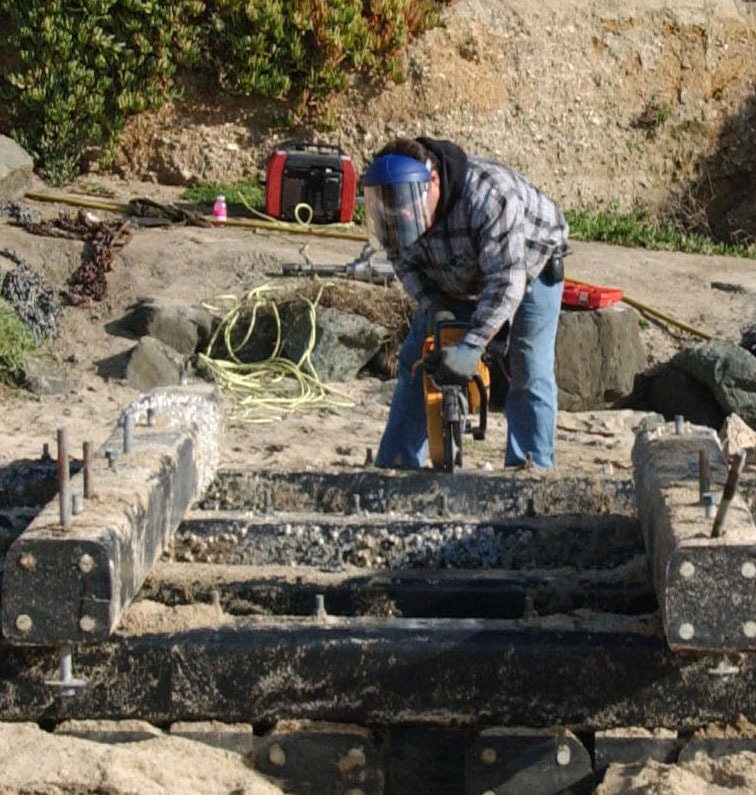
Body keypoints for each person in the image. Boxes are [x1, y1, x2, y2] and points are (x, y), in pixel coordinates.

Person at [362, 137, 570, 470]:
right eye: (389, 205)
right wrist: (432, 304)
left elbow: (506, 284)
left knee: (528, 366)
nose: (396, 212)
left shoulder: (489, 196)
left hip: (530, 265)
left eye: (403, 203)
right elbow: (403, 262)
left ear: (432, 182)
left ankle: (530, 468)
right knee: (418, 361)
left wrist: (471, 347)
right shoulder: (397, 215)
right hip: (455, 276)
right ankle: (398, 463)